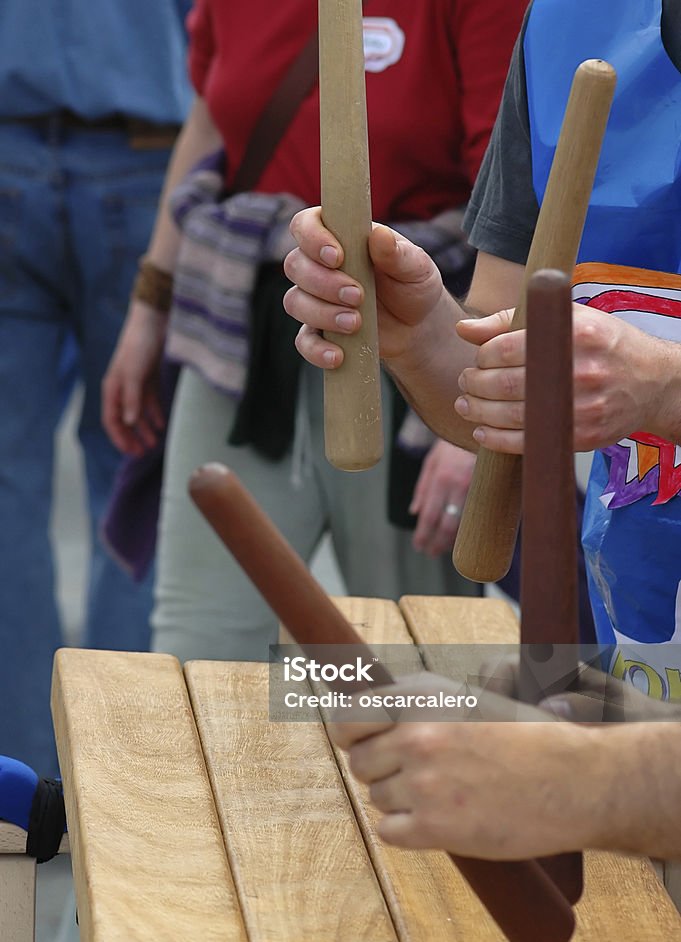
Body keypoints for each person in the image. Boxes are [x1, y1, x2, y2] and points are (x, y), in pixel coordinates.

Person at [282, 0, 681, 864]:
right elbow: (497, 387)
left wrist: (663, 387)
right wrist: (417, 333)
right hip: (642, 680)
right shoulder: (574, 24)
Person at [102, 0, 529, 663]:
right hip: (234, 333)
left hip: (417, 338)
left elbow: (515, 203)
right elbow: (209, 120)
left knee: (417, 669)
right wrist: (148, 303)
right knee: (201, 655)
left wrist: (477, 413)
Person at [0, 2, 192, 777]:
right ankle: (114, 771)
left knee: (6, 483)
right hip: (145, 156)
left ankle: (23, 779)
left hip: (10, 150)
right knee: (133, 469)